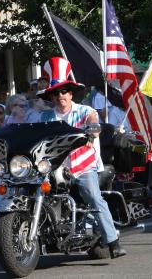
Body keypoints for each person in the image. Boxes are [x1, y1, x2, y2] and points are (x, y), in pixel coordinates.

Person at [38, 57, 126, 259]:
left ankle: (113, 242)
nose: (60, 95)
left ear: (70, 93)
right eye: (55, 93)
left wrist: (92, 132)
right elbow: (37, 136)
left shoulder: (86, 110)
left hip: (82, 165)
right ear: (50, 97)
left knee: (93, 196)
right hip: (53, 167)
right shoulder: (45, 117)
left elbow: (94, 123)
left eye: (63, 91)